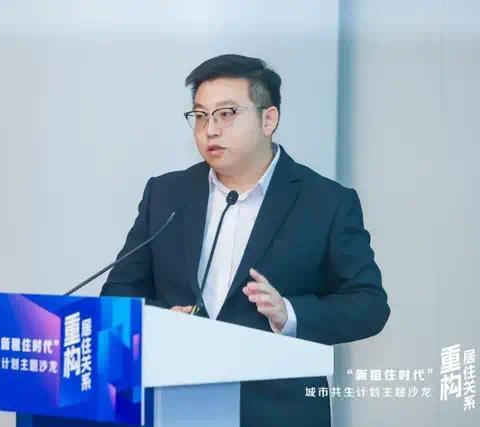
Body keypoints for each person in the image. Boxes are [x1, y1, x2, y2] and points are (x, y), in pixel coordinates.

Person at [100, 53, 390, 427]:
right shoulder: (166, 194)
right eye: (200, 116)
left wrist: (290, 314)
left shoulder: (326, 202)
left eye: (226, 114)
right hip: (174, 406)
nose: (210, 129)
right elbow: (117, 295)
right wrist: (161, 322)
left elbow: (369, 305)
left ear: (269, 119)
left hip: (276, 413)